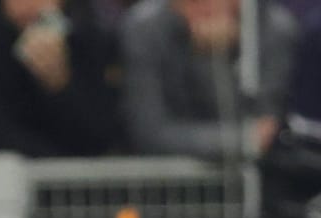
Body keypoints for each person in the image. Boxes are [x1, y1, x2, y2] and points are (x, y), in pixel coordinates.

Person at [0, 0, 123, 158]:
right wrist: (53, 164)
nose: (31, 4)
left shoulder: (87, 36)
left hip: (73, 182)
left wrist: (60, 86)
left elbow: (99, 137)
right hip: (0, 176)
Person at [121, 0, 296, 160]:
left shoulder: (273, 28)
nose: (207, 5)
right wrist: (237, 141)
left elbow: (264, 132)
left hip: (264, 183)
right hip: (167, 183)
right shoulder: (145, 28)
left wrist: (219, 58)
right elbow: (151, 133)